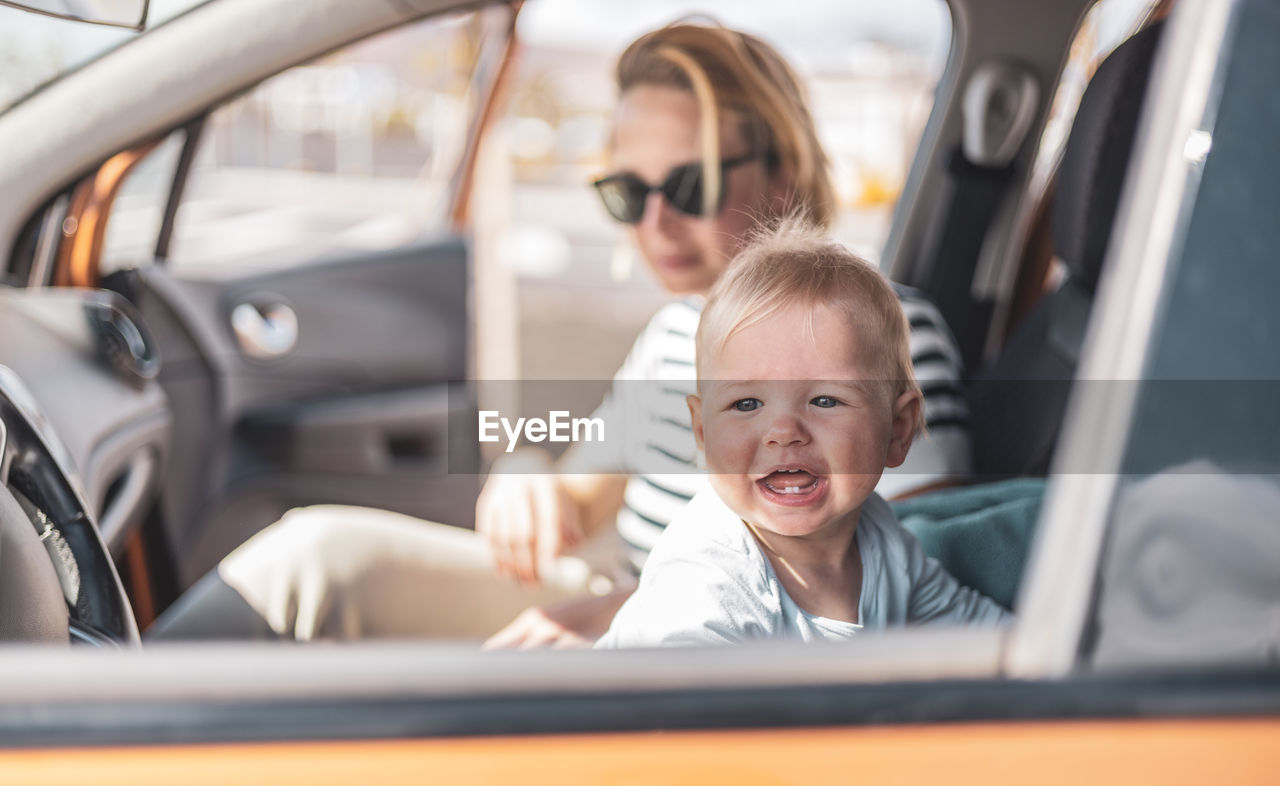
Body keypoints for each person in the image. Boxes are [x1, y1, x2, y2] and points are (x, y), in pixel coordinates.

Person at [148, 21, 971, 646]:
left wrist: (632, 610)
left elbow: (885, 581)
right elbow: (580, 499)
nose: (654, 222)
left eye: (690, 182)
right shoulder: (671, 334)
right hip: (630, 600)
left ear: (784, 167)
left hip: (707, 643)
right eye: (627, 191)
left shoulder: (888, 332)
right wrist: (527, 469)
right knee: (311, 555)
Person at [597, 220, 1006, 647]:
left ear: (897, 431)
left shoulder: (883, 540)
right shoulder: (706, 586)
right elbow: (681, 710)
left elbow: (981, 633)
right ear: (702, 433)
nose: (783, 432)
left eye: (825, 401)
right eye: (746, 404)